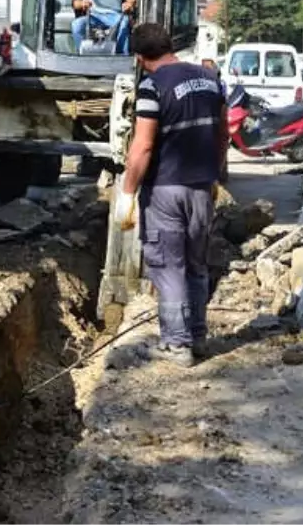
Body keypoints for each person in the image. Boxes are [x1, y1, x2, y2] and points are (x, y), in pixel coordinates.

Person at [112, 23, 229, 367]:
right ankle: (197, 336)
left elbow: (143, 145)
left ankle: (177, 345)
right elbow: (223, 133)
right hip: (201, 189)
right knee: (195, 264)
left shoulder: (152, 86)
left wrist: (127, 193)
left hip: (165, 188)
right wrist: (213, 174)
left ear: (140, 57)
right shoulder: (209, 79)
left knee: (168, 267)